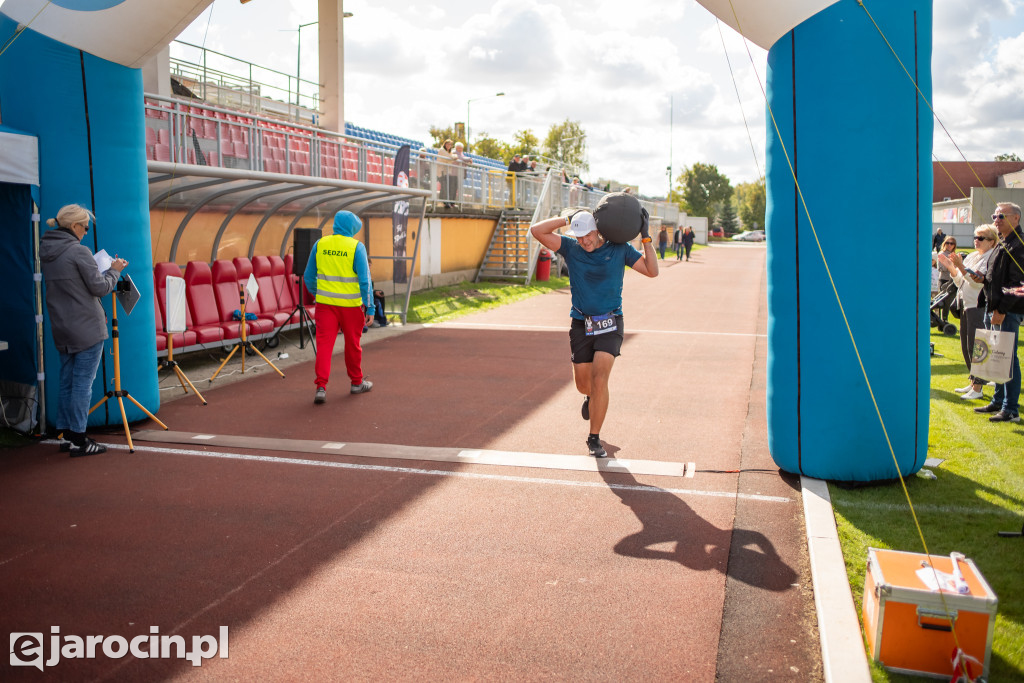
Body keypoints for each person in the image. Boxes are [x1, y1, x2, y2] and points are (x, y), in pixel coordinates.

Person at [529, 209, 659, 458]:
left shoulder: (619, 249)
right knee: (583, 384)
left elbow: (652, 271)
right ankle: (590, 397)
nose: (583, 241)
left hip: (611, 322)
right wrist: (568, 218)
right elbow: (537, 231)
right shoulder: (570, 248)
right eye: (578, 236)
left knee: (601, 378)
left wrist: (645, 238)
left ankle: (594, 438)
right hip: (581, 323)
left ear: (597, 230)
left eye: (586, 235)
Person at [40, 204, 128, 456]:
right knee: (82, 385)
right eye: (86, 227)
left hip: (62, 325)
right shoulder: (79, 252)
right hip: (87, 326)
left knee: (67, 381)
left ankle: (66, 434)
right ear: (75, 226)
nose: (87, 232)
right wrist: (114, 270)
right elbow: (100, 288)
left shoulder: (46, 250)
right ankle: (79, 438)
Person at [303, 210, 375, 404]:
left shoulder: (320, 244)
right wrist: (370, 307)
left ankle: (320, 387)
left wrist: (319, 293)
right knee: (353, 345)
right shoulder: (356, 247)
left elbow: (308, 277)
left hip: (325, 305)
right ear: (351, 228)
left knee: (324, 346)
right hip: (351, 307)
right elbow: (365, 282)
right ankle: (356, 383)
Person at [975, 202, 1024, 423]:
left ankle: (1010, 408)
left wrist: (1002, 310)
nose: (996, 219)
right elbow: (997, 278)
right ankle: (998, 400)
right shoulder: (1004, 242)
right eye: (995, 215)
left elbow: (1018, 283)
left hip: (1007, 311)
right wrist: (983, 279)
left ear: (1016, 219)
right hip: (994, 306)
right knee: (997, 357)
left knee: (1008, 358)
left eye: (1001, 215)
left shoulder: (1019, 245)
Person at [938, 224, 997, 400]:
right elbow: (961, 282)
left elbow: (978, 283)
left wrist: (960, 267)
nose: (976, 241)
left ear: (991, 241)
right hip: (966, 303)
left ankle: (978, 387)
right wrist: (951, 267)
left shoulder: (990, 257)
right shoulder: (972, 256)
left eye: (981, 238)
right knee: (966, 345)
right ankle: (973, 381)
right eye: (975, 237)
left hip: (979, 304)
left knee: (977, 345)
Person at [934, 236, 958, 322]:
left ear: (954, 245)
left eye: (951, 243)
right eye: (947, 243)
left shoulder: (955, 255)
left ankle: (945, 319)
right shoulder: (941, 254)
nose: (949, 245)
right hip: (944, 280)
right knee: (941, 301)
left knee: (949, 302)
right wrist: (950, 266)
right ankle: (938, 319)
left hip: (953, 281)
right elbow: (940, 268)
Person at [436, 138, 456, 208]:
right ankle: (445, 202)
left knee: (445, 186)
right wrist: (454, 157)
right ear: (445, 144)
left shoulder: (449, 152)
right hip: (441, 172)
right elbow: (450, 158)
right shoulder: (442, 150)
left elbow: (451, 157)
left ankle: (443, 201)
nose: (449, 145)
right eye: (447, 144)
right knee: (445, 186)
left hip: (446, 172)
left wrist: (453, 157)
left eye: (450, 144)